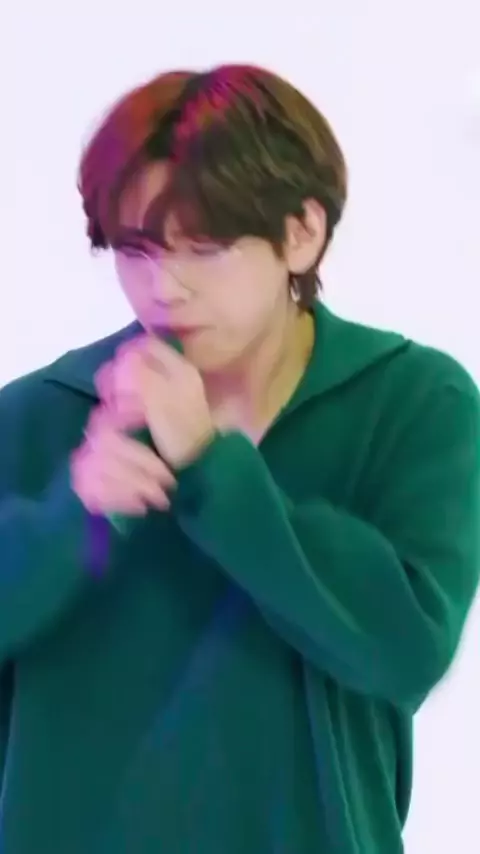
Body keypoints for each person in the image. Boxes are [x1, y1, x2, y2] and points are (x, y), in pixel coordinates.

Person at [1, 63, 479, 854]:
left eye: (206, 248)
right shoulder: (40, 414)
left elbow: (406, 650)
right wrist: (67, 524)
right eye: (138, 250)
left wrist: (211, 466)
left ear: (302, 233)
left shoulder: (413, 399)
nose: (165, 288)